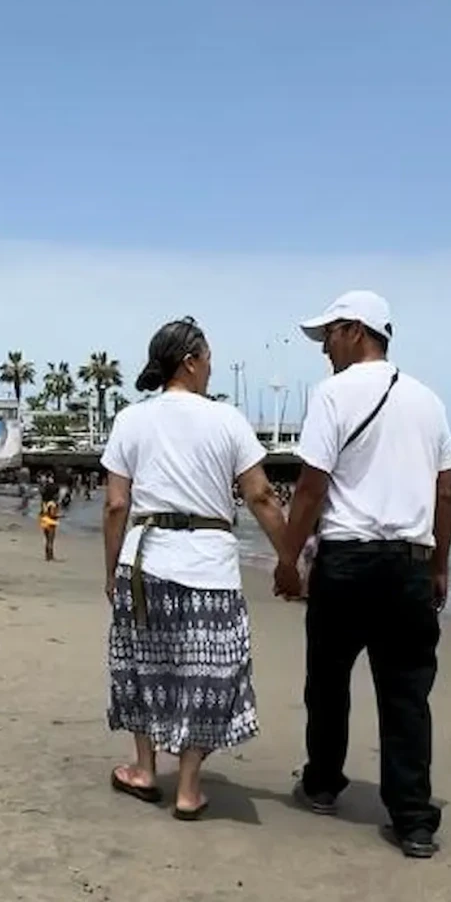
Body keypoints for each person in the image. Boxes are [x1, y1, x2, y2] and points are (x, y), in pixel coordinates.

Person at [276, 290, 451, 860]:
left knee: (328, 680)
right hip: (408, 562)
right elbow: (445, 491)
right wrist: (439, 565)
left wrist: (288, 558)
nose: (324, 348)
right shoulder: (428, 400)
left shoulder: (331, 394)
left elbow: (312, 485)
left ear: (356, 331)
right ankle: (413, 819)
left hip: (348, 561)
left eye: (329, 335)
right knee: (407, 691)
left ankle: (323, 783)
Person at [102, 316, 288, 820]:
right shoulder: (227, 420)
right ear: (189, 361)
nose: (211, 367)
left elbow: (116, 505)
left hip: (143, 563)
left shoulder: (131, 420)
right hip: (209, 567)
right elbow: (261, 496)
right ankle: (188, 788)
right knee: (207, 673)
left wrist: (111, 571)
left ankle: (144, 770)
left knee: (143, 664)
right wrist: (290, 558)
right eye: (207, 358)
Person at [38, 484, 60, 560]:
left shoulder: (44, 502)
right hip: (51, 522)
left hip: (44, 521)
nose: (58, 495)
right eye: (57, 493)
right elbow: (52, 514)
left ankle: (47, 555)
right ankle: (51, 556)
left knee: (47, 539)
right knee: (51, 540)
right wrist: (58, 516)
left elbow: (42, 512)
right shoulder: (53, 503)